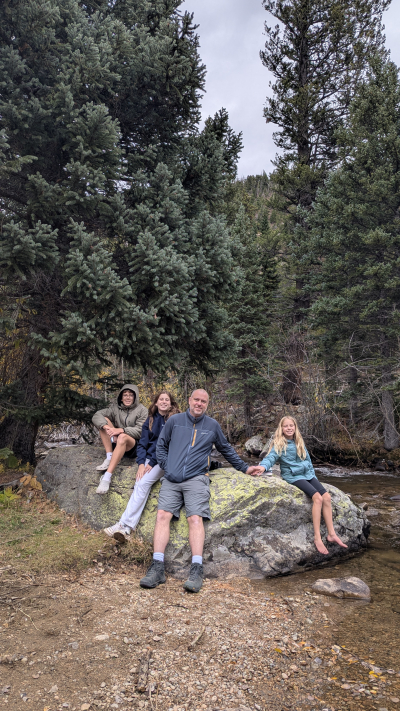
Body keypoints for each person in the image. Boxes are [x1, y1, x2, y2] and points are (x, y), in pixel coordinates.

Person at [139, 389, 260, 593]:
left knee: (195, 518)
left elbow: (226, 449)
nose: (199, 404)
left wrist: (245, 468)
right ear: (189, 400)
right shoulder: (174, 421)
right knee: (162, 515)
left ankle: (196, 570)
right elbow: (161, 446)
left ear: (207, 404)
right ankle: (157, 568)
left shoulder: (212, 425)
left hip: (196, 478)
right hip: (172, 479)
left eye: (203, 401)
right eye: (196, 400)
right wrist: (168, 467)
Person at [252, 416, 348, 555]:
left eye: (291, 425)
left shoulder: (299, 441)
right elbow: (271, 458)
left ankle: (331, 534)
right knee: (318, 499)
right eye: (286, 426)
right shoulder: (279, 443)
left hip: (307, 474)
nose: (289, 428)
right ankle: (317, 537)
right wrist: (263, 467)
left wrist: (313, 478)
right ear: (281, 428)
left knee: (326, 497)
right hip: (293, 475)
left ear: (295, 427)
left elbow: (308, 461)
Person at [103, 390, 180, 541]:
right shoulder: (150, 419)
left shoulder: (174, 420)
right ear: (156, 402)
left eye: (167, 400)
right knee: (139, 482)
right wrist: (140, 464)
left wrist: (152, 462)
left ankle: (124, 524)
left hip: (165, 460)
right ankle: (126, 528)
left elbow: (167, 445)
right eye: (161, 399)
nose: (164, 402)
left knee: (143, 483)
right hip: (149, 458)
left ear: (171, 403)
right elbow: (142, 444)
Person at [92, 384, 147, 494]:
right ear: (121, 398)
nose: (128, 397)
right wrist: (107, 427)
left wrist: (121, 430)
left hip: (133, 445)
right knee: (104, 421)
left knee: (122, 436)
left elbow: (140, 431)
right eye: (125, 395)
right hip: (116, 442)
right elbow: (97, 415)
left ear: (135, 397)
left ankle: (107, 477)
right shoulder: (115, 409)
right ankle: (109, 457)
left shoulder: (142, 410)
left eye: (131, 395)